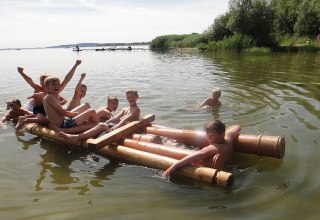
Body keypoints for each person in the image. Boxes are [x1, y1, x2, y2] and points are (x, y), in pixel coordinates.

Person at [15, 60, 82, 130]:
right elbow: (30, 81)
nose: (44, 84)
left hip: (50, 108)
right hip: (39, 109)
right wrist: (21, 73)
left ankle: (28, 118)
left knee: (55, 118)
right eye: (42, 82)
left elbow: (67, 79)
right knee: (43, 121)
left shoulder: (56, 89)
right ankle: (25, 119)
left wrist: (75, 65)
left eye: (46, 82)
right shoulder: (38, 88)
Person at [162, 120, 241, 177]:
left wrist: (174, 166)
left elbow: (199, 154)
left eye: (212, 136)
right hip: (232, 166)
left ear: (222, 134)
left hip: (222, 173)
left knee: (174, 145)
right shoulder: (228, 136)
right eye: (208, 135)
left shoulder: (216, 147)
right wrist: (225, 129)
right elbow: (237, 127)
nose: (209, 138)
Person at [58, 89, 140, 143]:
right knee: (100, 124)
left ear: (137, 97)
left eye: (132, 96)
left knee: (101, 125)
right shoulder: (125, 109)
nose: (130, 98)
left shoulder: (136, 109)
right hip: (119, 126)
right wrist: (107, 123)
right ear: (126, 98)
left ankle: (77, 137)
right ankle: (75, 133)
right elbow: (115, 118)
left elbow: (125, 120)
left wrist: (115, 127)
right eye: (128, 97)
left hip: (124, 129)